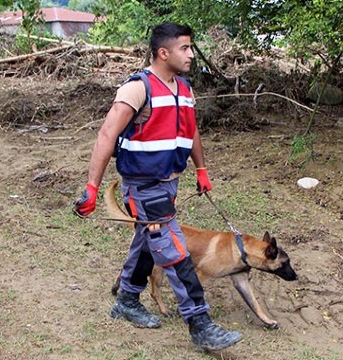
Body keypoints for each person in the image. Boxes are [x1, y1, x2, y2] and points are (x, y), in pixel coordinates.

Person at [73, 23, 242, 351]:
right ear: (163, 53)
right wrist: (92, 187)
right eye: (185, 48)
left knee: (148, 243)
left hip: (169, 183)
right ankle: (200, 323)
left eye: (191, 47)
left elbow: (190, 131)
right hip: (143, 185)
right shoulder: (137, 88)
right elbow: (107, 134)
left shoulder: (183, 88)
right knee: (172, 248)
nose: (191, 54)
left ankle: (126, 300)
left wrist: (202, 169)